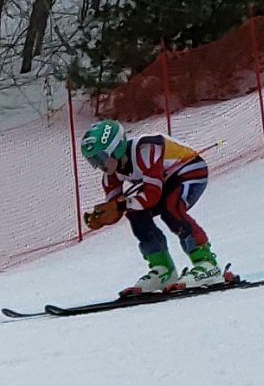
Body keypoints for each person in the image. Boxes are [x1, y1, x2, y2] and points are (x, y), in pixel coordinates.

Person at [80, 119, 227, 295]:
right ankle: (163, 268)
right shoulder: (110, 175)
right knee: (135, 214)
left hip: (189, 169)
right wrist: (103, 217)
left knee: (171, 208)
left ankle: (207, 263)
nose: (99, 166)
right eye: (93, 160)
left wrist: (120, 205)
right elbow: (117, 207)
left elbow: (152, 196)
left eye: (101, 158)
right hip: (162, 182)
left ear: (116, 148)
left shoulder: (147, 150)